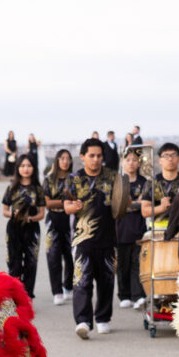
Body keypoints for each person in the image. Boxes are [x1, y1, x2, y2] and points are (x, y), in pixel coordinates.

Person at [63, 138, 116, 339]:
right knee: (82, 280)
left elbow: (123, 202)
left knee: (106, 281)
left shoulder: (112, 177)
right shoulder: (74, 179)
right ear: (82, 156)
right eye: (91, 156)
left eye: (99, 156)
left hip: (109, 238)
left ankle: (103, 318)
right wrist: (73, 207)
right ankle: (83, 321)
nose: (95, 159)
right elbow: (66, 206)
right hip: (82, 239)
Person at [2, 154, 46, 298]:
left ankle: (27, 297)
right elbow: (4, 211)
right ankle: (15, 296)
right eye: (22, 166)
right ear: (17, 168)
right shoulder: (11, 188)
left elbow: (41, 214)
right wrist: (13, 214)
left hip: (32, 229)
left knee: (31, 263)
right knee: (14, 264)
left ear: (33, 168)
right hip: (14, 229)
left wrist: (31, 218)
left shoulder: (38, 188)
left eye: (29, 166)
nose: (26, 169)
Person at [116, 148, 150, 309]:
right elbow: (117, 205)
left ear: (139, 163)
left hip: (138, 228)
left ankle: (138, 296)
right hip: (121, 229)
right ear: (122, 162)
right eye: (128, 160)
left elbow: (144, 204)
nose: (131, 163)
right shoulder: (117, 182)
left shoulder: (144, 182)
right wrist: (135, 203)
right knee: (123, 264)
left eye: (134, 160)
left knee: (138, 263)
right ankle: (124, 295)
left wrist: (130, 204)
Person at [43, 149, 74, 305]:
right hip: (53, 220)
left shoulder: (74, 179)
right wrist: (65, 202)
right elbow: (47, 203)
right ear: (57, 160)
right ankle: (57, 291)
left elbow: (78, 200)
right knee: (53, 256)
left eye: (68, 158)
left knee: (71, 255)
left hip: (71, 219)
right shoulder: (49, 180)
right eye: (62, 158)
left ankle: (68, 286)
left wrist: (64, 203)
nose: (65, 161)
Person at [141, 142, 179, 225]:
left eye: (174, 155)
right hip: (158, 229)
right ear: (160, 160)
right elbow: (144, 211)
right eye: (166, 156)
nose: (170, 159)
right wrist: (161, 208)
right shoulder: (151, 183)